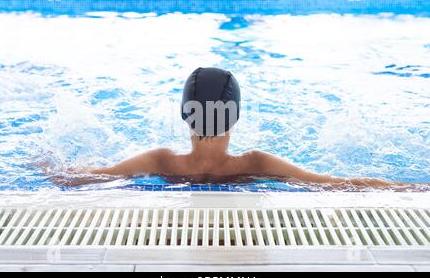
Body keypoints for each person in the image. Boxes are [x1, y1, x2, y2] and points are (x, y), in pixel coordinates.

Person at [57, 67, 404, 187]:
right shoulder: (256, 163)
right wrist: (408, 187)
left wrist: (46, 163)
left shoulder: (161, 161)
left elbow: (84, 176)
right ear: (235, 117)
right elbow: (333, 184)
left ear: (185, 114)